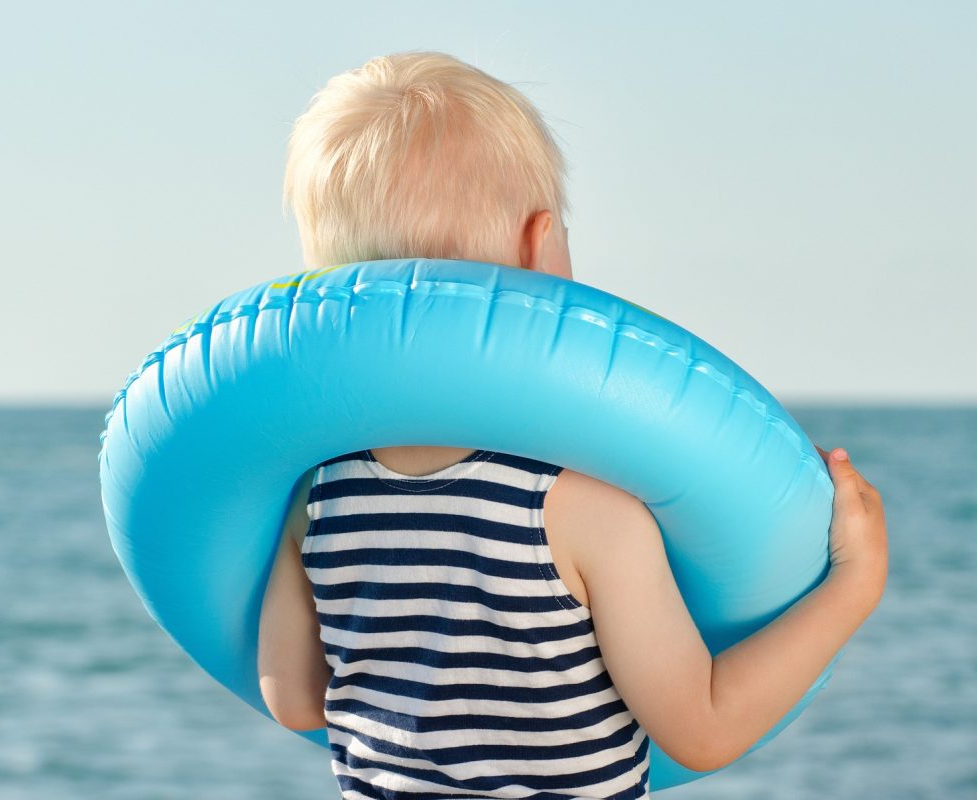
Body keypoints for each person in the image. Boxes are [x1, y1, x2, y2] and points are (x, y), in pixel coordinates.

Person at [256, 51, 888, 800]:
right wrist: (854, 584)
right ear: (539, 242)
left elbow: (298, 703)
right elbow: (704, 729)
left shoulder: (319, 500)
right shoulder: (582, 508)